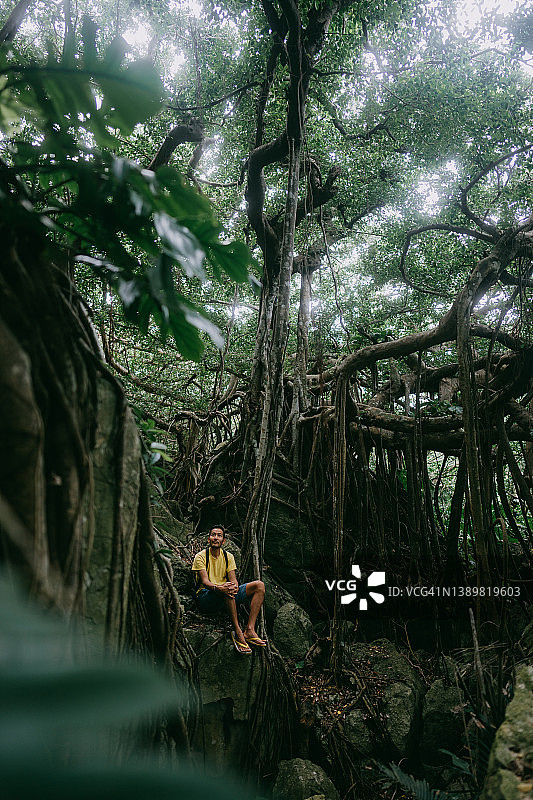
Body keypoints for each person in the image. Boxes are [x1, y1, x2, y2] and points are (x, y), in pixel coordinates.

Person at [192, 526, 266, 654]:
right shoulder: (201, 556)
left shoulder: (228, 557)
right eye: (213, 535)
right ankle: (238, 632)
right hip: (206, 596)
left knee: (259, 585)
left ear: (223, 541)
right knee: (227, 590)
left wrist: (233, 587)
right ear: (209, 539)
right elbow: (205, 581)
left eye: (219, 535)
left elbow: (234, 580)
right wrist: (219, 588)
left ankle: (249, 629)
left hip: (226, 594)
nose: (216, 538)